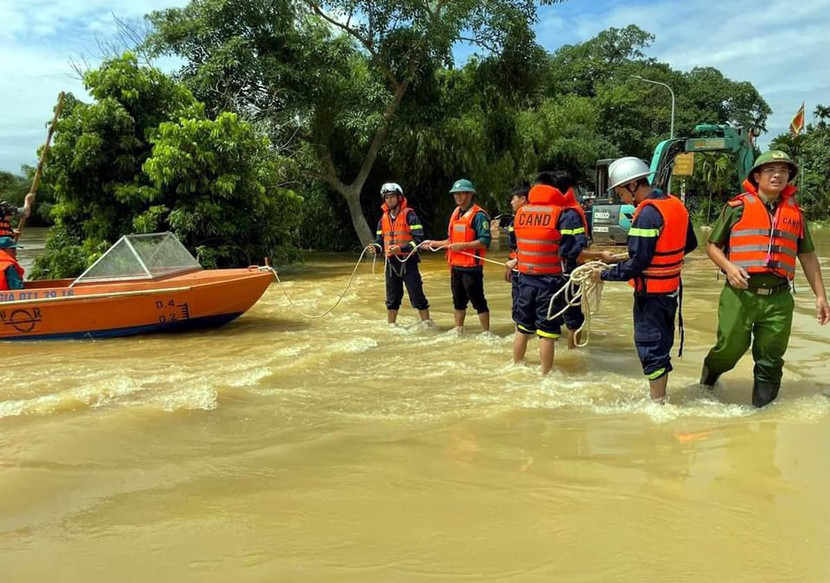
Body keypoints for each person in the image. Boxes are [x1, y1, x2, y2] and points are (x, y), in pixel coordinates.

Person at [699, 150, 830, 407]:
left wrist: (821, 296)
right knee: (729, 351)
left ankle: (762, 419)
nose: (777, 175)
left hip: (779, 299)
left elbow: (809, 256)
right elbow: (712, 246)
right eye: (770, 170)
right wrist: (729, 267)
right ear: (757, 176)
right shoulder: (736, 208)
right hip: (740, 294)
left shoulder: (796, 214)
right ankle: (707, 382)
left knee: (771, 359)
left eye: (783, 171)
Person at [593, 157, 697, 401]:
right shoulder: (674, 204)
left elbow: (638, 264)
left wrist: (603, 274)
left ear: (632, 186)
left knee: (650, 348)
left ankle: (657, 404)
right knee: (661, 345)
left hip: (650, 296)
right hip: (670, 290)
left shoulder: (647, 214)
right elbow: (689, 243)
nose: (621, 197)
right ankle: (659, 397)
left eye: (620, 191)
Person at [512, 171, 615, 374]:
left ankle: (515, 367)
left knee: (522, 328)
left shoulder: (522, 213)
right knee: (547, 332)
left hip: (524, 279)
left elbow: (519, 246)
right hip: (549, 281)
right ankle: (545, 375)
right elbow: (572, 252)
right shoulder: (563, 214)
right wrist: (600, 257)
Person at [423, 178, 491, 333]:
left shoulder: (479, 216)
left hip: (472, 268)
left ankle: (486, 332)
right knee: (458, 301)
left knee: (478, 301)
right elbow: (450, 241)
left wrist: (463, 246)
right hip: (455, 266)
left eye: (461, 194)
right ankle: (458, 330)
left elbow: (484, 241)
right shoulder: (456, 214)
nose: (457, 197)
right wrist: (433, 243)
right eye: (455, 194)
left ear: (469, 195)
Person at [369, 182, 432, 326]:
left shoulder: (410, 215)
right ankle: (391, 326)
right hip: (391, 264)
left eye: (392, 197)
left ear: (399, 198)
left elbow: (419, 240)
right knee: (392, 299)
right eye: (387, 198)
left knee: (417, 296)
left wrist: (401, 249)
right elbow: (380, 240)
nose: (389, 200)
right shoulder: (382, 219)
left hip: (408, 262)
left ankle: (427, 324)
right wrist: (376, 248)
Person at [504, 184, 530, 311]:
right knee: (516, 303)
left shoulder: (530, 220)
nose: (511, 202)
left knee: (525, 306)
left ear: (523, 199)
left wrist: (516, 261)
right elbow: (514, 247)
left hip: (527, 270)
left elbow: (532, 246)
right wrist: (511, 266)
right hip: (516, 268)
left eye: (513, 198)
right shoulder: (514, 221)